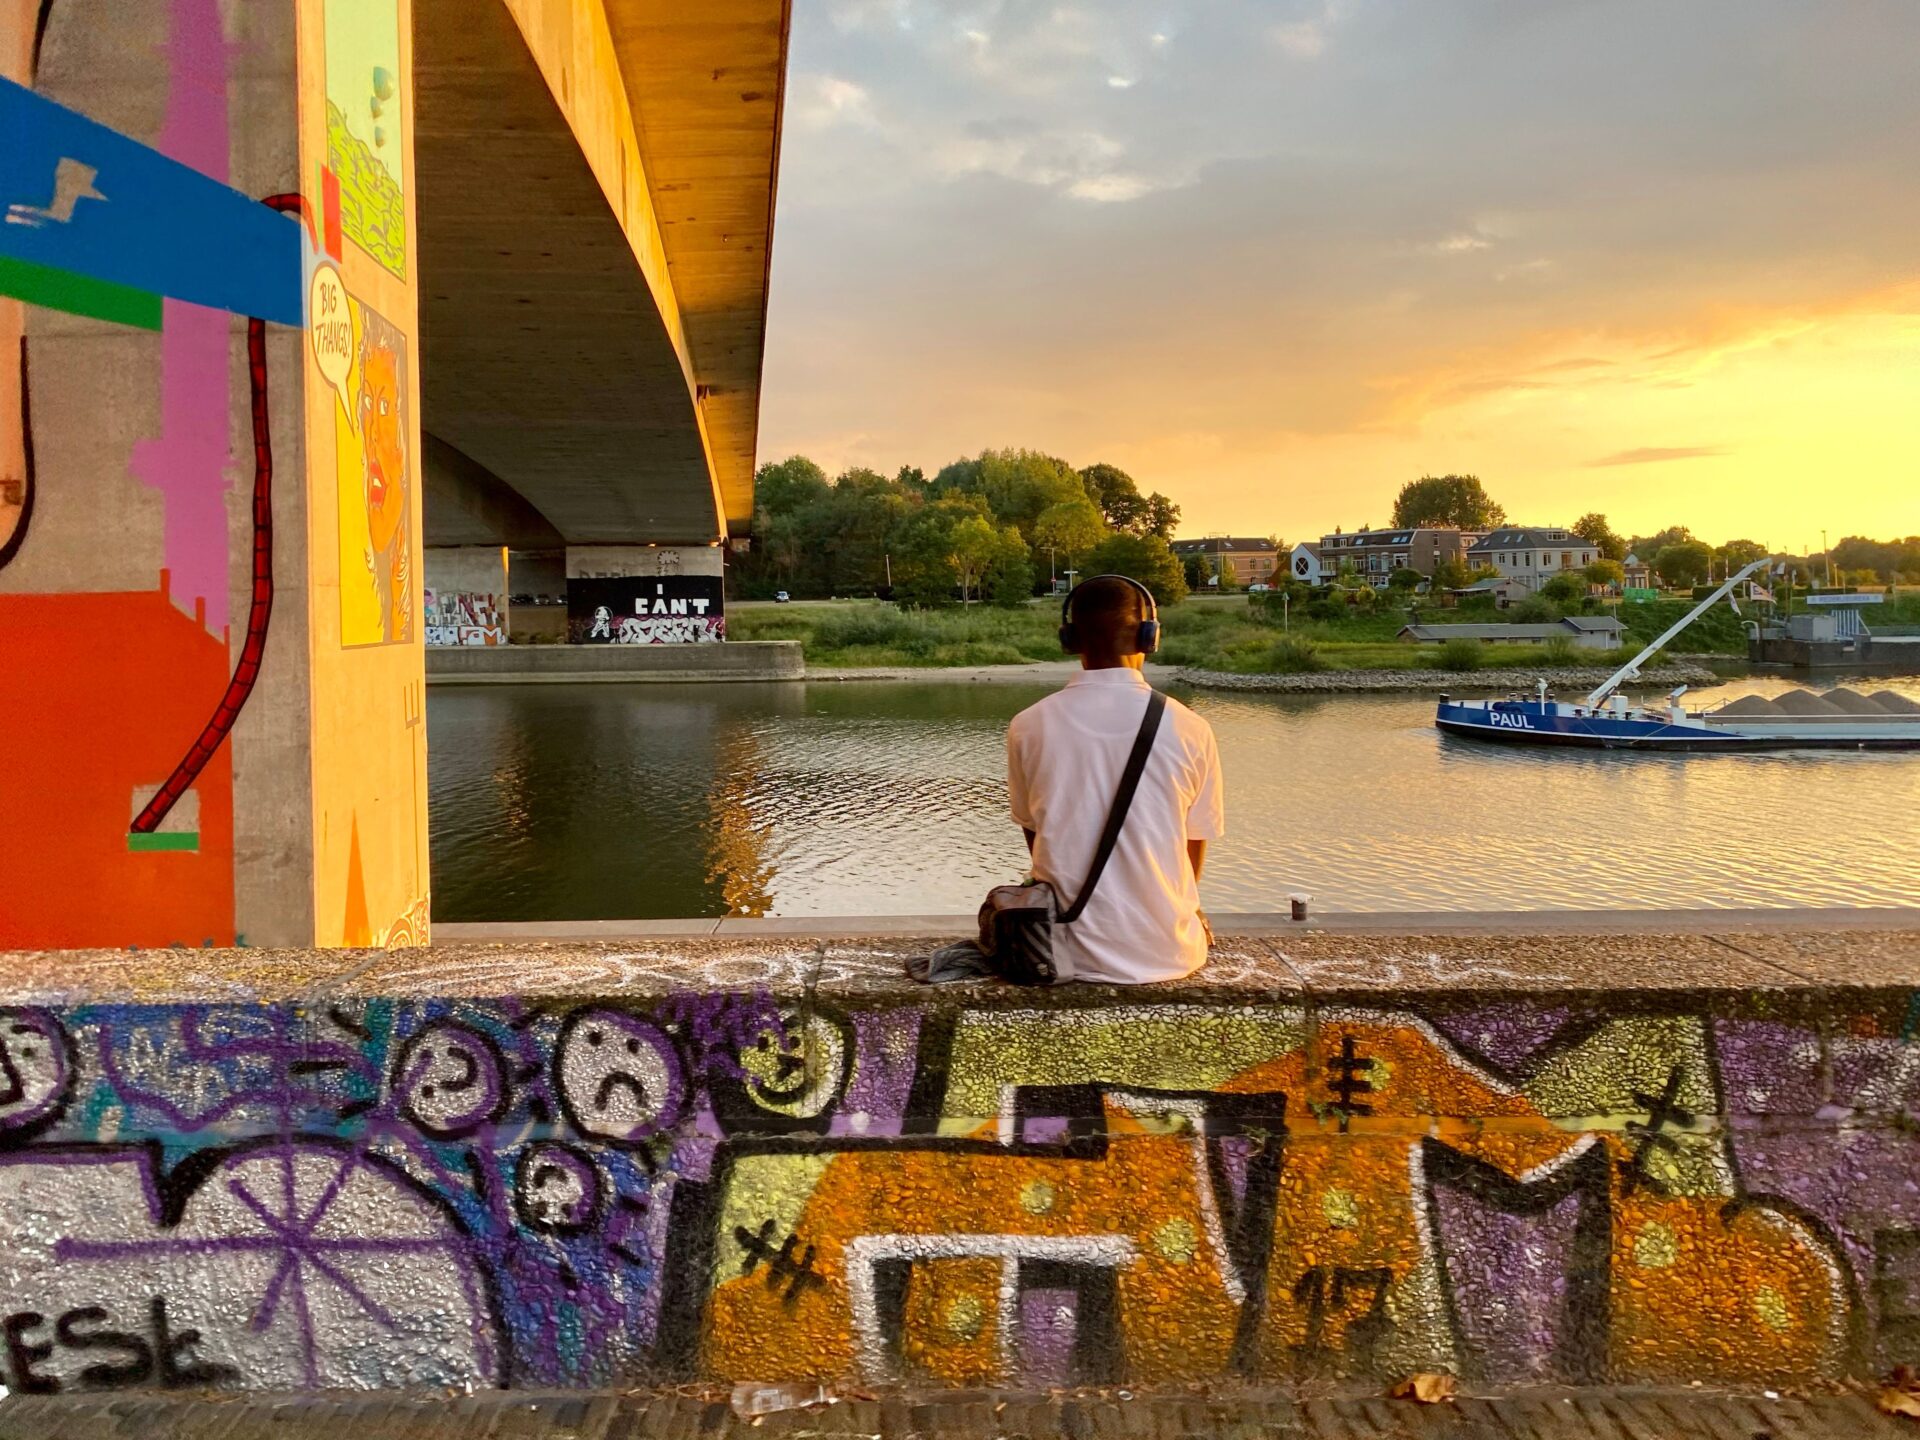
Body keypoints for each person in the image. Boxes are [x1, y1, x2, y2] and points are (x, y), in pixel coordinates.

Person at [1005, 574, 1225, 983]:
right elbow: (1194, 845)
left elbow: (1035, 837)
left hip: (1063, 954)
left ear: (1070, 639)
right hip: (1172, 952)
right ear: (1148, 635)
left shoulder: (1028, 726)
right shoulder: (1191, 728)